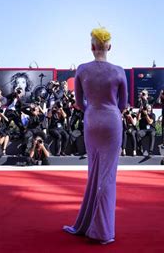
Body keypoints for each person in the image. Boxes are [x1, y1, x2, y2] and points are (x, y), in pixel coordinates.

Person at [63, 27, 127, 245]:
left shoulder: (81, 70)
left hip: (91, 121)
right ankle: (102, 230)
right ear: (109, 46)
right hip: (112, 122)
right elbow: (123, 105)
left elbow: (80, 104)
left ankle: (89, 222)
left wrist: (94, 108)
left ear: (91, 46)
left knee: (94, 173)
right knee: (108, 176)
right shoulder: (119, 71)